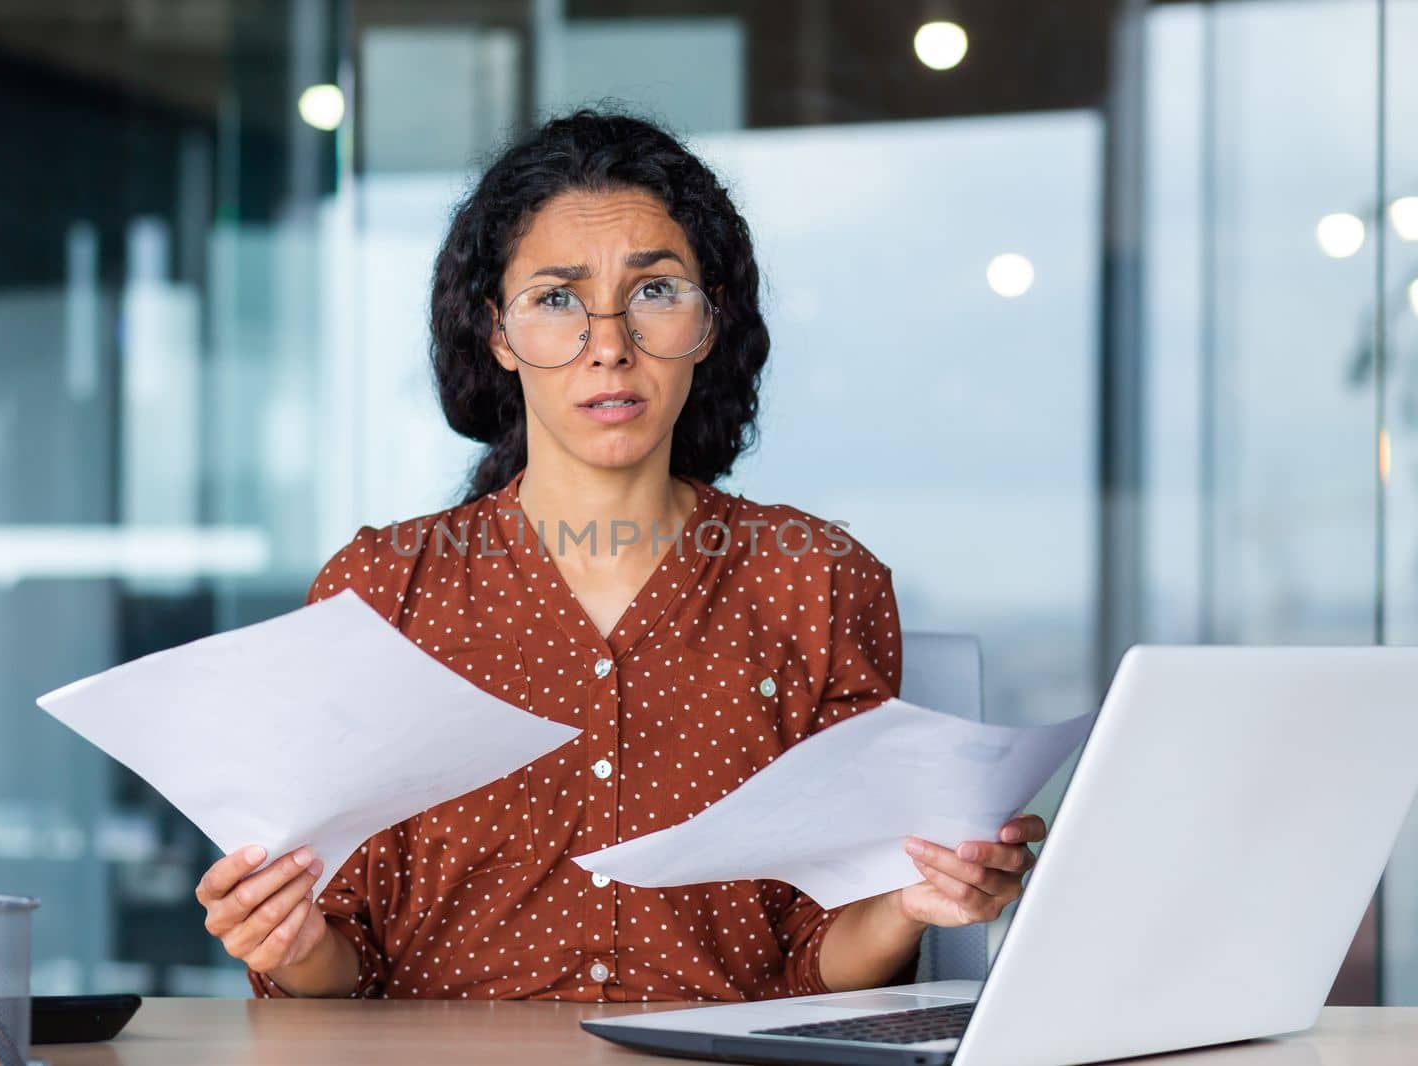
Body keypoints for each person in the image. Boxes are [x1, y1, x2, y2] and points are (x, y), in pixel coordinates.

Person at [194, 107, 1046, 1002]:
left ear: (710, 323)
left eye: (655, 292)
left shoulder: (815, 580)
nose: (609, 346)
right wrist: (284, 941)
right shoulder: (380, 592)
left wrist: (912, 902)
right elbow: (347, 961)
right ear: (497, 334)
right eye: (557, 298)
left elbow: (817, 959)